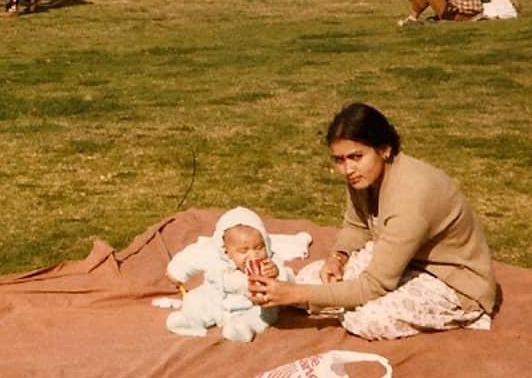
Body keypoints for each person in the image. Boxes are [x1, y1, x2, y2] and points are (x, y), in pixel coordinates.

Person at [247, 103, 499, 341]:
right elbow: (356, 226)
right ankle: (329, 298)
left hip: (450, 282)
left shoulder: (411, 197)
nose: (347, 169)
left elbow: (376, 285)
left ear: (384, 149)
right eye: (339, 159)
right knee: (310, 278)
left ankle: (464, 316)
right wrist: (338, 257)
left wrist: (294, 294)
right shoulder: (364, 179)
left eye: (356, 156)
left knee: (364, 317)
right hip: (401, 261)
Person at [165, 206, 294, 343]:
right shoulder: (213, 255)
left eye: (259, 247)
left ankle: (243, 328)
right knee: (197, 300)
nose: (254, 255)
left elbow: (290, 282)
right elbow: (191, 257)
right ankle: (189, 320)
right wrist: (176, 272)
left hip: (249, 306)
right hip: (215, 299)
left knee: (264, 314)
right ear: (225, 250)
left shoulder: (271, 262)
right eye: (244, 251)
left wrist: (277, 273)